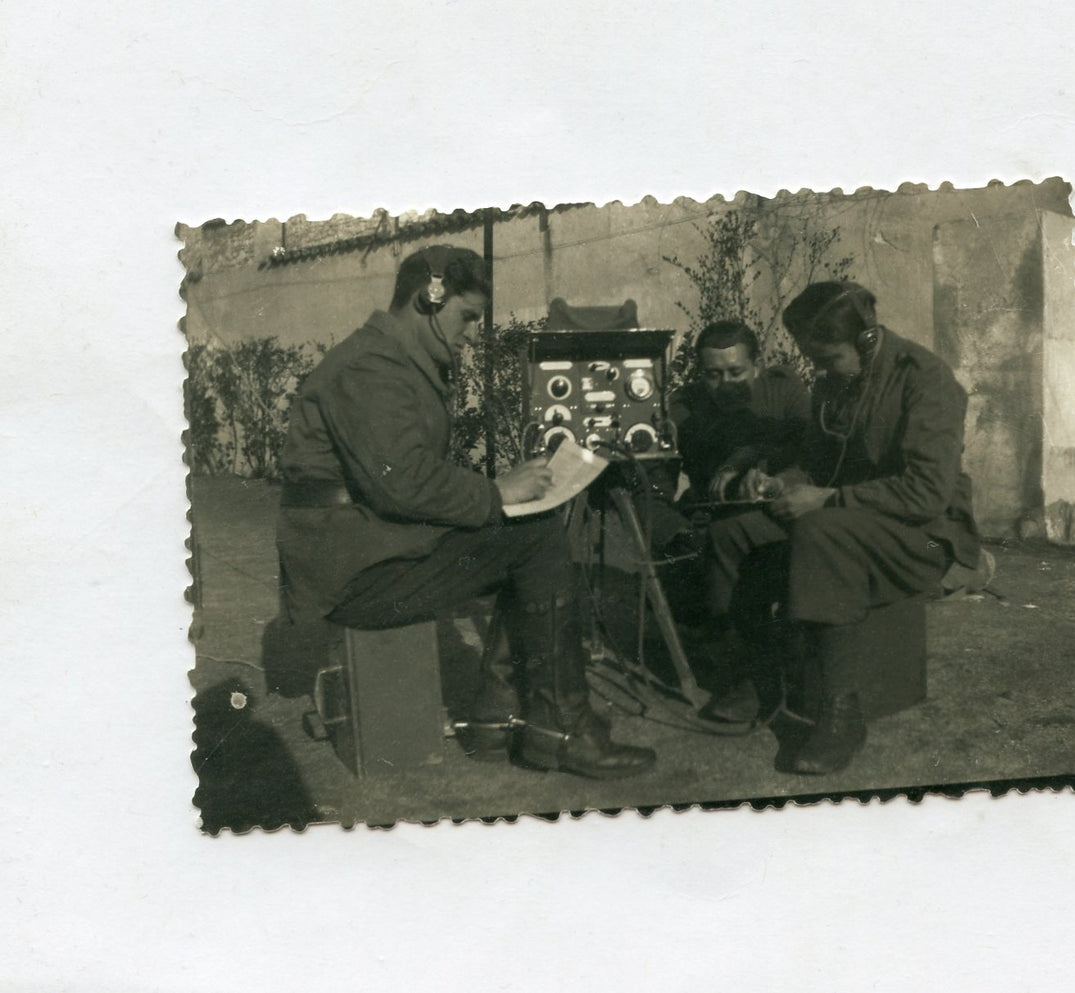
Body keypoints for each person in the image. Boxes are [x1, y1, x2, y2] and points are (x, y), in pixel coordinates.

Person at [275, 244, 656, 780]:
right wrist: (496, 491)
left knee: (525, 530)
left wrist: (501, 499)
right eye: (468, 316)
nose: (475, 333)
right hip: (353, 575)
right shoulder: (372, 367)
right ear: (428, 300)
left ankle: (497, 722)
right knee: (536, 536)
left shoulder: (393, 359)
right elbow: (400, 483)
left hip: (369, 550)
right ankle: (559, 728)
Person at [701, 281, 984, 775]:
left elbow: (926, 494)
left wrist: (829, 499)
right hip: (852, 521)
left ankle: (841, 713)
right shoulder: (838, 379)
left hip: (925, 534)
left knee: (820, 532)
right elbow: (816, 460)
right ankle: (759, 676)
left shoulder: (926, 381)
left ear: (868, 341)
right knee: (733, 533)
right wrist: (781, 481)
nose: (821, 372)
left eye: (829, 360)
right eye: (816, 363)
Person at [670, 320, 810, 503]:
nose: (726, 385)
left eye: (736, 372)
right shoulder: (686, 404)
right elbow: (657, 485)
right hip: (713, 514)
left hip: (784, 504)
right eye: (713, 374)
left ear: (758, 366)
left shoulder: (782, 388)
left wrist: (751, 453)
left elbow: (811, 449)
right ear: (701, 373)